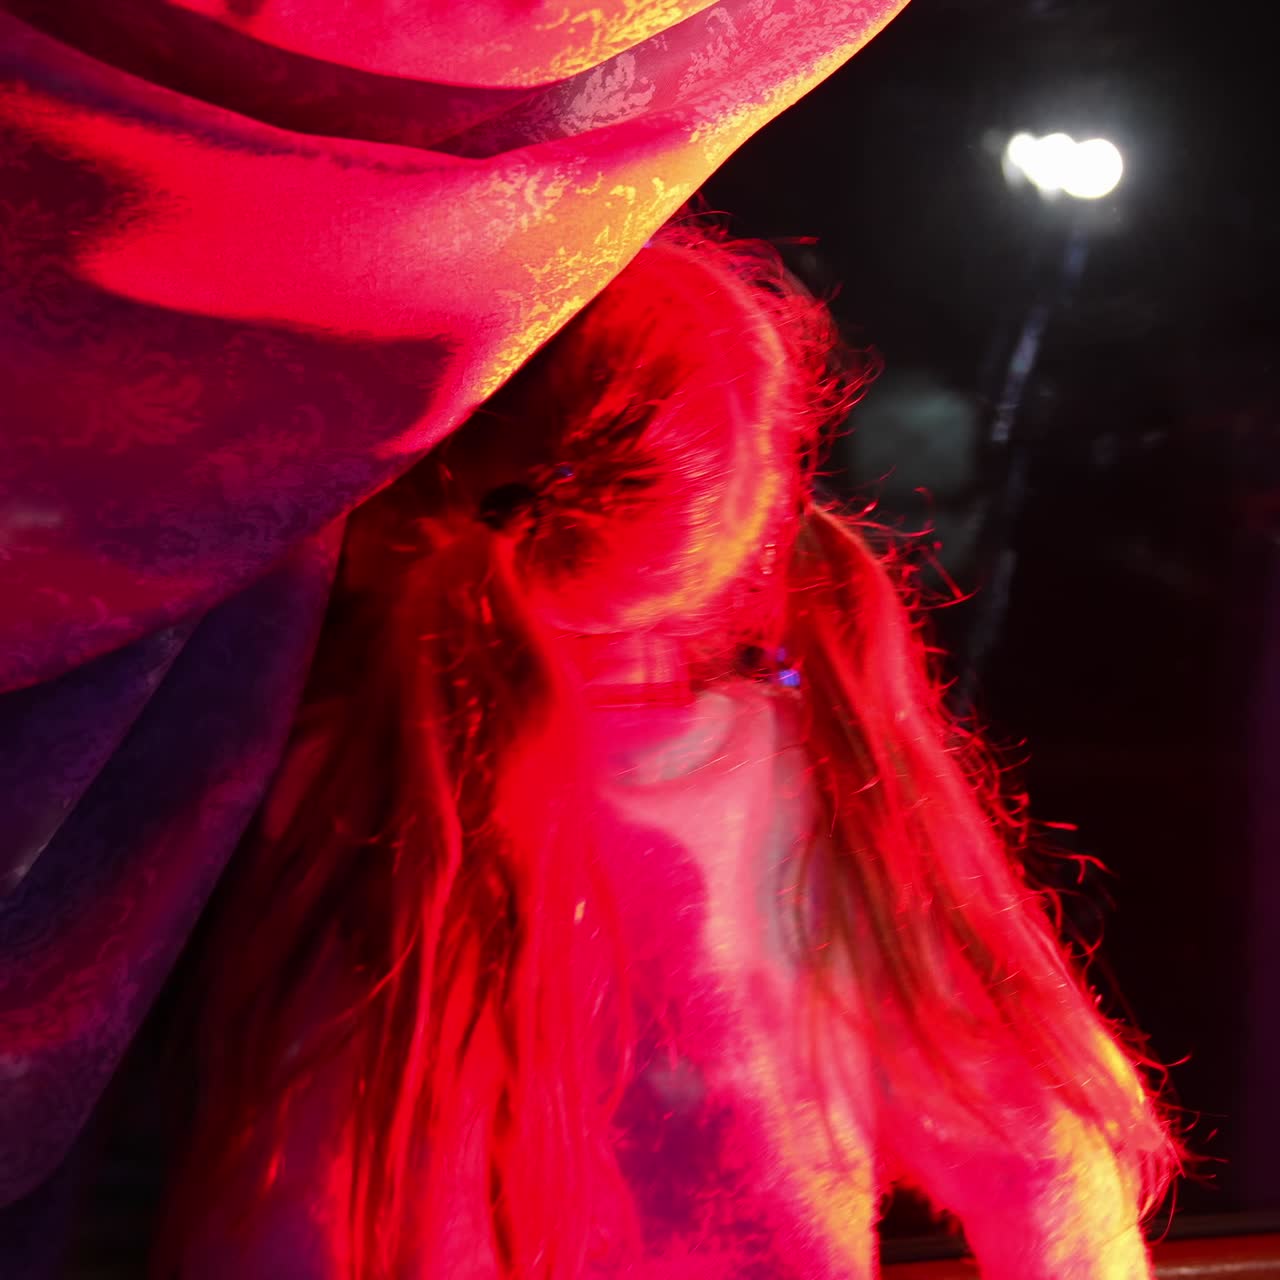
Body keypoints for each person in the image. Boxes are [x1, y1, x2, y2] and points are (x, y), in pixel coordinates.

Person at [155, 219, 1184, 1280]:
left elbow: (284, 1223)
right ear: (747, 508)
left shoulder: (338, 782)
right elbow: (1045, 1161)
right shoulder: (807, 792)